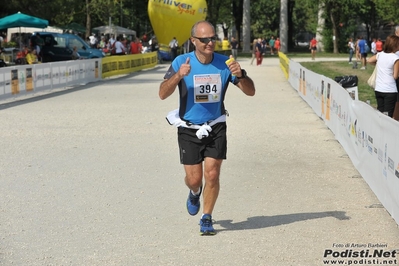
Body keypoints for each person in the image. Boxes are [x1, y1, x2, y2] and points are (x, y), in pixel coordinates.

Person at [159, 20, 255, 235]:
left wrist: (240, 75)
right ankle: (194, 192)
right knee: (195, 179)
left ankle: (206, 217)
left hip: (215, 126)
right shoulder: (180, 62)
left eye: (213, 38)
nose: (210, 42)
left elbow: (250, 91)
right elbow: (162, 94)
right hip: (189, 128)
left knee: (212, 174)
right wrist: (178, 76)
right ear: (193, 41)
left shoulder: (226, 63)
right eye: (204, 39)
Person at [367, 35, 399, 117]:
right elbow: (395, 76)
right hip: (390, 89)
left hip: (379, 88)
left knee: (380, 113)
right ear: (395, 45)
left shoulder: (380, 54)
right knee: (388, 115)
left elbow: (369, 60)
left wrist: (379, 65)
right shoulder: (395, 58)